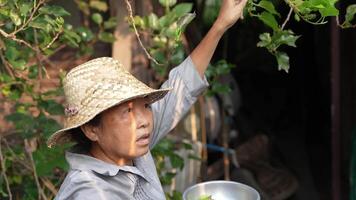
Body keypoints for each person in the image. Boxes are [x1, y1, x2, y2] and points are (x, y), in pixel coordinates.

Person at [48, 0, 248, 199]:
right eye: (127, 112)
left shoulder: (128, 146)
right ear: (91, 129)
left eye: (145, 105)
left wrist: (220, 25)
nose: (144, 120)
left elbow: (182, 86)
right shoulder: (91, 192)